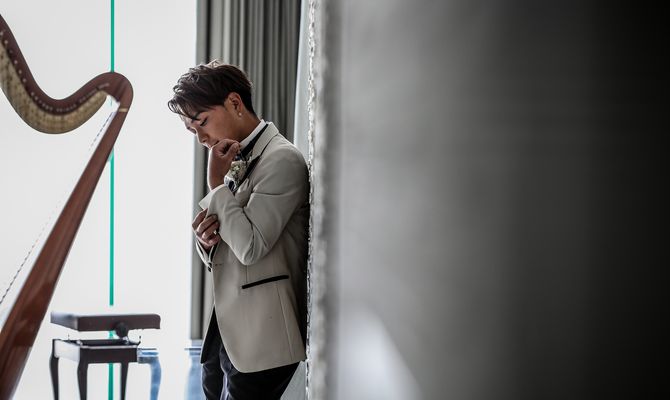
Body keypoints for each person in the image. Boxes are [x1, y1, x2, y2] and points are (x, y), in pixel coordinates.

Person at [168, 61, 309, 400]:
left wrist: (217, 185)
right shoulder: (233, 156)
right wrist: (207, 241)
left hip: (262, 335)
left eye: (202, 122)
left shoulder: (282, 160)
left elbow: (250, 247)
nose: (201, 138)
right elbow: (228, 241)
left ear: (234, 102)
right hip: (225, 331)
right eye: (192, 130)